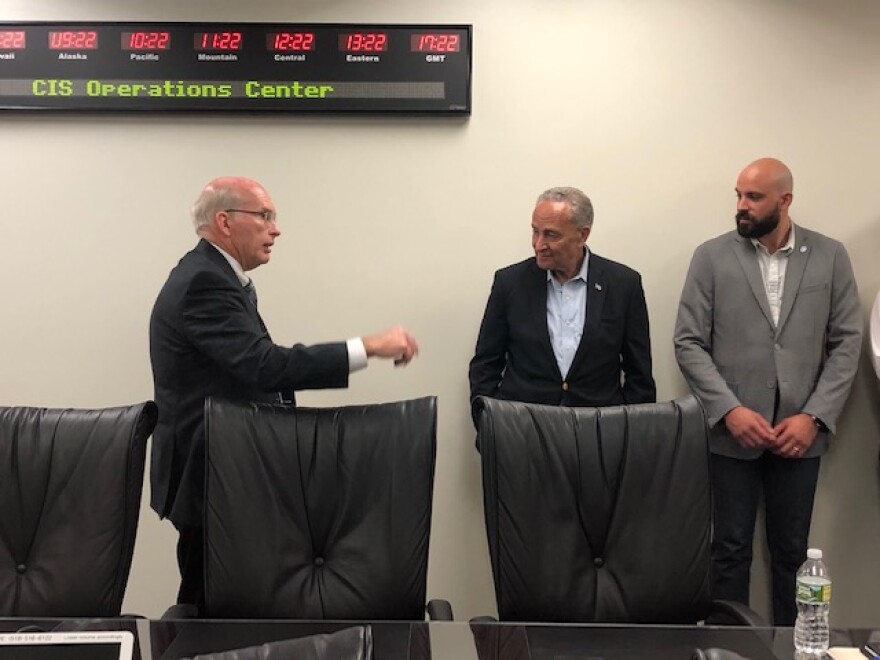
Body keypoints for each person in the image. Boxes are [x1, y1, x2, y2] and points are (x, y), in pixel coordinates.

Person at [149, 176, 419, 610]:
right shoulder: (204, 282)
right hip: (212, 475)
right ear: (224, 221)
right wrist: (366, 347)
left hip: (227, 470)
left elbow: (251, 374)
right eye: (265, 216)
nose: (276, 229)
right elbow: (265, 365)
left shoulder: (216, 274)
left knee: (222, 605)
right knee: (207, 609)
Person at [674, 158, 861, 625]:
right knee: (729, 549)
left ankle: (791, 646)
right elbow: (688, 341)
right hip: (731, 435)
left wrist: (814, 416)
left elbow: (846, 342)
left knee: (793, 552)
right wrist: (729, 411)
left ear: (785, 200)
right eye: (738, 195)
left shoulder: (830, 255)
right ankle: (728, 647)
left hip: (800, 435)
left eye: (753, 197)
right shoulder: (711, 256)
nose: (741, 206)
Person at [468, 186, 656, 428]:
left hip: (600, 435)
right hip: (523, 433)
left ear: (582, 235)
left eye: (551, 235)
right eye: (535, 232)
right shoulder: (510, 283)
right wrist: (489, 424)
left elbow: (639, 375)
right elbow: (485, 364)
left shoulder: (623, 285)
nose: (538, 244)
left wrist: (632, 435)